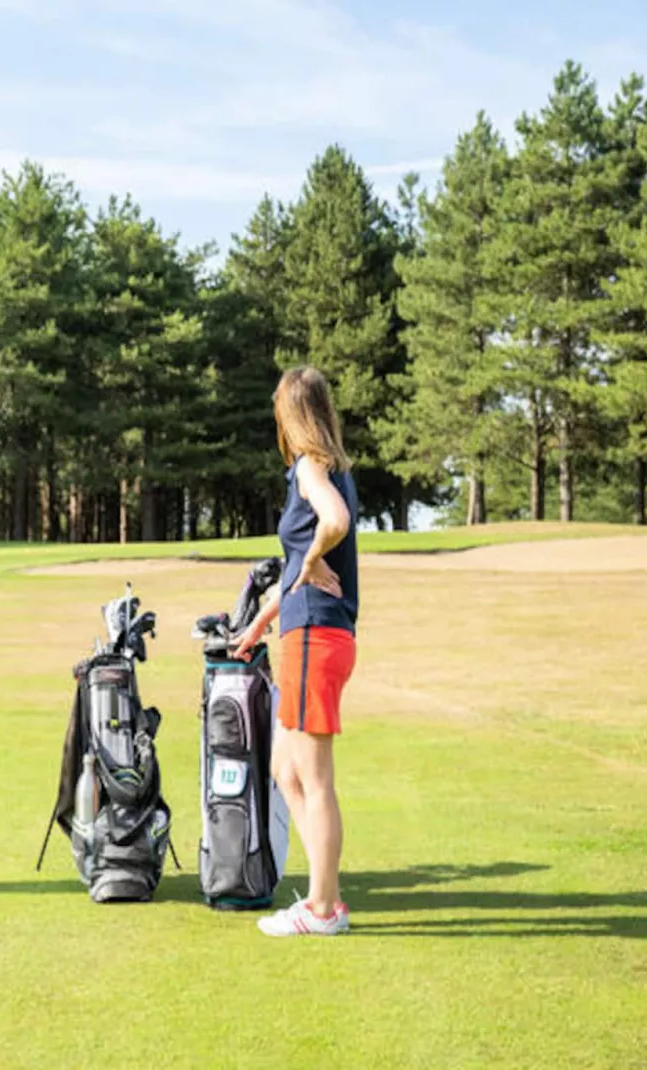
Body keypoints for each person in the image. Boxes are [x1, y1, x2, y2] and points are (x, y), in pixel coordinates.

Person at [232, 365, 359, 937]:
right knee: (286, 770)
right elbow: (302, 556)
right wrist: (262, 618)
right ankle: (323, 891)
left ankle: (323, 909)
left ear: (292, 414)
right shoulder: (330, 469)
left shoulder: (311, 468)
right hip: (308, 632)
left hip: (316, 636)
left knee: (314, 777)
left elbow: (333, 523)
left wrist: (309, 563)